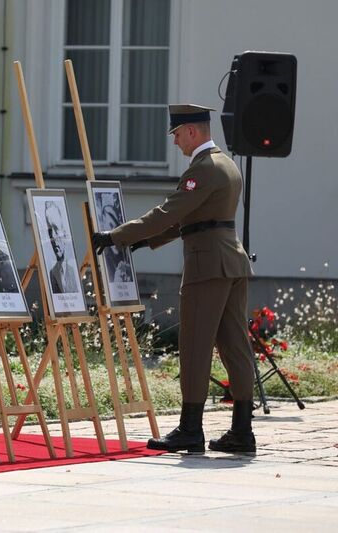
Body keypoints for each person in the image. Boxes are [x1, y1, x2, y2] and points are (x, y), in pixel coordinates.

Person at [92, 104, 256, 453]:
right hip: (232, 261)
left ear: (192, 131)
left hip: (207, 265)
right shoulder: (227, 164)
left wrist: (115, 236)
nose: (176, 141)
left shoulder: (203, 169)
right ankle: (243, 431)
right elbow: (192, 219)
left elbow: (167, 213)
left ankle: (190, 430)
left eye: (178, 134)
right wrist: (144, 241)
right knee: (235, 345)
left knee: (196, 345)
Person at [44, 200, 78, 294]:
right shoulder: (51, 273)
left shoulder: (73, 272)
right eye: (50, 233)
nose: (53, 239)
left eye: (56, 230)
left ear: (65, 233)